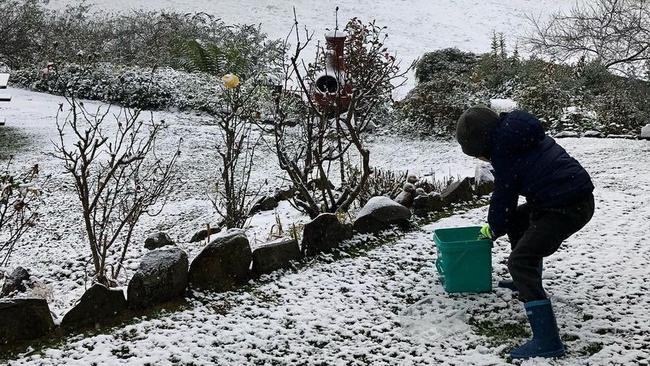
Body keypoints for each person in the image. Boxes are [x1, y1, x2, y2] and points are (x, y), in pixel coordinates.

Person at [456, 106, 595, 359]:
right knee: (518, 220)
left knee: (520, 262)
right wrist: (503, 224)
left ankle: (547, 341)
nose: (482, 161)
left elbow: (503, 199)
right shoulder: (517, 134)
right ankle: (528, 280)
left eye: (478, 155)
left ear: (483, 145)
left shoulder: (505, 153)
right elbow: (510, 203)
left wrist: (492, 230)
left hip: (565, 207)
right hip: (570, 198)